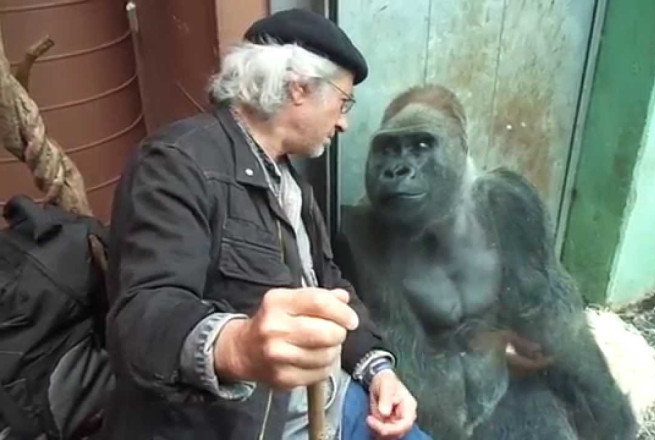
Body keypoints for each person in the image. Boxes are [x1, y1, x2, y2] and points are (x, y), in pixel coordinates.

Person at [101, 9, 430, 440]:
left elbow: (328, 283)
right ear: (298, 88)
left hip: (334, 402)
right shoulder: (176, 162)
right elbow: (141, 317)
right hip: (250, 425)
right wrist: (236, 347)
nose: (344, 122)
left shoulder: (292, 185)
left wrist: (378, 369)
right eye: (343, 101)